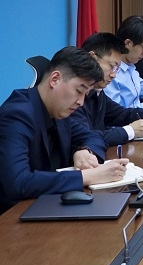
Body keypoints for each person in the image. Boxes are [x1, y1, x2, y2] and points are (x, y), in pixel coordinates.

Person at [0, 47, 128, 213]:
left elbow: (94, 137)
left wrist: (83, 151)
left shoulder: (58, 111)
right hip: (13, 216)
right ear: (54, 79)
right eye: (79, 91)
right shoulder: (17, 115)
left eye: (86, 94)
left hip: (48, 205)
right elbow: (18, 182)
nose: (81, 102)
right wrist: (89, 176)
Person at [71, 33, 143, 147]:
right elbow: (86, 137)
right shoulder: (74, 96)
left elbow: (122, 114)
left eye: (117, 69)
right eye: (112, 66)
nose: (114, 75)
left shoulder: (98, 91)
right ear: (93, 58)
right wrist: (130, 131)